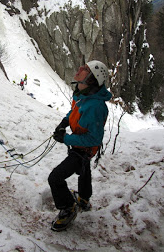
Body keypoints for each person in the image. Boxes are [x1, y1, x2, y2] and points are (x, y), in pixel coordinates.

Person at [48, 60, 112, 232]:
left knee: (55, 178)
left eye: (85, 69)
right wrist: (64, 122)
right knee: (84, 171)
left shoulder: (95, 106)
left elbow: (93, 139)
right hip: (81, 147)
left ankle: (68, 208)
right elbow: (74, 111)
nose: (79, 69)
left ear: (91, 79)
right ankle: (84, 198)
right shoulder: (83, 95)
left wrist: (66, 139)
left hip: (83, 149)